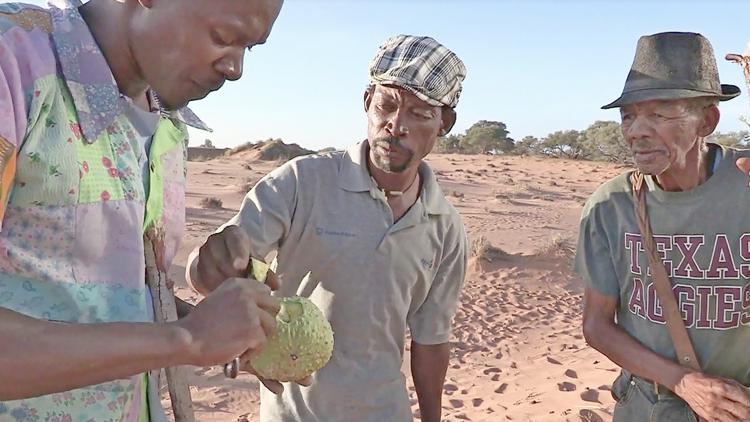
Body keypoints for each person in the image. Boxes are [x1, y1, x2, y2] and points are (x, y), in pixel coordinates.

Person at [0, 0, 283, 420]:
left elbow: (110, 306)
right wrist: (183, 340)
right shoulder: (13, 59)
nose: (235, 69)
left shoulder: (167, 123)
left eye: (250, 48)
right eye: (223, 38)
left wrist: (218, 324)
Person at [187, 34, 468, 422]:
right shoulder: (302, 182)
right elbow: (217, 264)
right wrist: (211, 265)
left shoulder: (446, 227)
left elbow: (431, 339)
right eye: (386, 105)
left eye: (419, 114)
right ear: (367, 102)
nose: (395, 126)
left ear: (444, 123)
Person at [576, 32, 750, 422]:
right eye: (629, 115)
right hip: (648, 408)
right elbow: (597, 325)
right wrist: (683, 381)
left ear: (707, 120)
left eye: (659, 114)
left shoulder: (747, 181)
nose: (637, 130)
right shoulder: (610, 206)